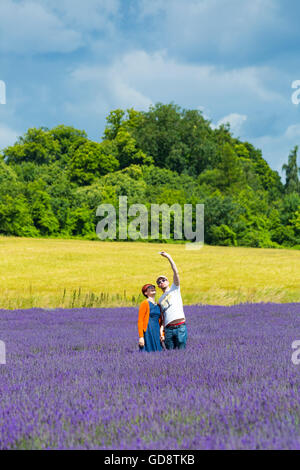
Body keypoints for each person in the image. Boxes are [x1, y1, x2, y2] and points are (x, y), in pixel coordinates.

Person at [156, 251, 187, 350]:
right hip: (168, 329)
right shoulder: (160, 300)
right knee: (170, 353)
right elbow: (162, 317)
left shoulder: (175, 289)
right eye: (159, 282)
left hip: (180, 327)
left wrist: (168, 257)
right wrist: (162, 332)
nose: (161, 282)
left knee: (182, 352)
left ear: (168, 281)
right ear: (158, 286)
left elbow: (176, 272)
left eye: (163, 280)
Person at [138, 284, 164, 352]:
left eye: (153, 288)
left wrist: (162, 334)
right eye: (149, 288)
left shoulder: (158, 305)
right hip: (148, 330)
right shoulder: (145, 303)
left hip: (157, 330)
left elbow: (161, 322)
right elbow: (140, 321)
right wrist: (141, 337)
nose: (152, 288)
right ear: (146, 293)